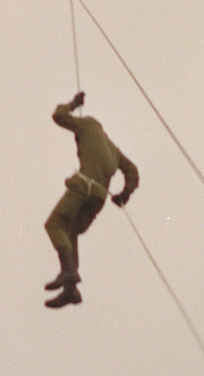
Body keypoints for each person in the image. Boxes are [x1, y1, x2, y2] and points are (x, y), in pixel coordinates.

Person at [43, 92, 139, 308]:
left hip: (82, 187)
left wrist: (73, 104)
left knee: (54, 223)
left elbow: (58, 116)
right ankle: (70, 289)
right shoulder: (114, 150)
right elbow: (132, 170)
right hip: (98, 199)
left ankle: (68, 271)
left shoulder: (86, 125)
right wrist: (125, 193)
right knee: (70, 229)